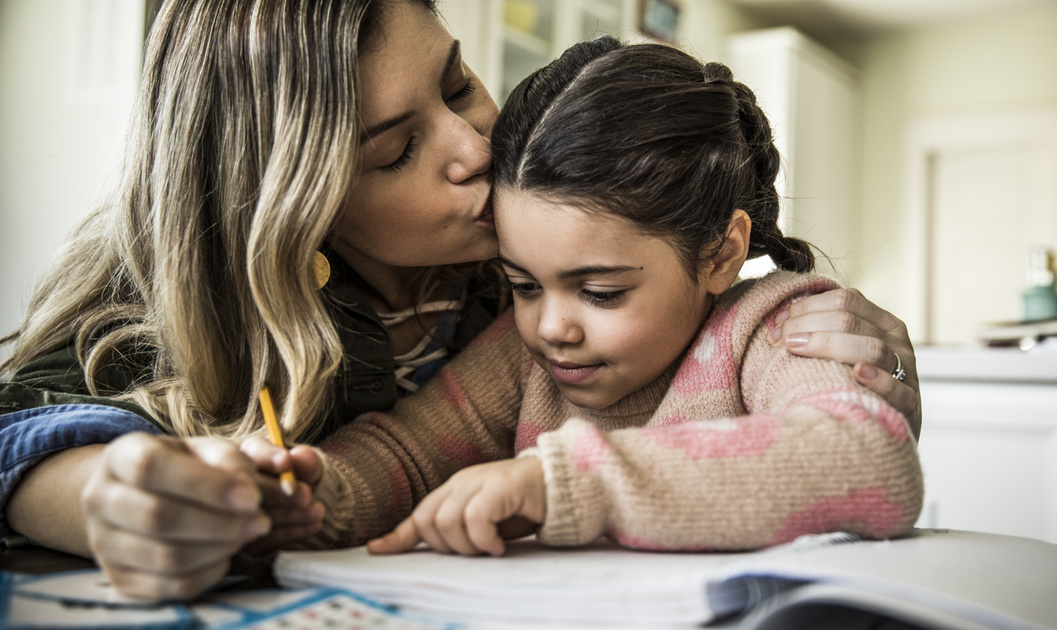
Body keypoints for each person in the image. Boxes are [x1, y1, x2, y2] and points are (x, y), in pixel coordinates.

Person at [0, 0, 919, 600]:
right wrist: (291, 499)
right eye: (395, 150)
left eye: (457, 83)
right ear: (290, 200)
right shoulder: (524, 341)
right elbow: (403, 452)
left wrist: (874, 379)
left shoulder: (729, 312)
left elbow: (860, 457)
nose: (477, 148)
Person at [265, 36, 921, 558]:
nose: (552, 327)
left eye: (601, 291)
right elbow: (406, 455)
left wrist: (567, 484)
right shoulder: (524, 361)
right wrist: (315, 494)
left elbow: (869, 457)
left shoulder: (773, 329)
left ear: (720, 253)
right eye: (522, 284)